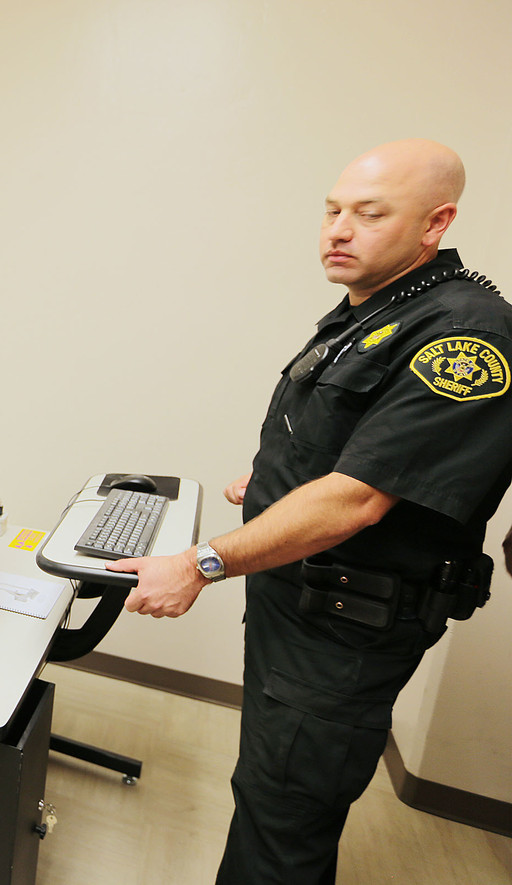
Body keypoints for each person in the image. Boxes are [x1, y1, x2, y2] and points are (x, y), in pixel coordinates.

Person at [107, 139, 511, 883]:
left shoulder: (465, 333)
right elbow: (346, 449)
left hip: (343, 632)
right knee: (269, 794)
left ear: (436, 223)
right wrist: (269, 483)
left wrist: (203, 562)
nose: (338, 228)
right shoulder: (376, 309)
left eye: (368, 212)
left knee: (284, 822)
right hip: (301, 606)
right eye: (331, 209)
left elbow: (358, 497)